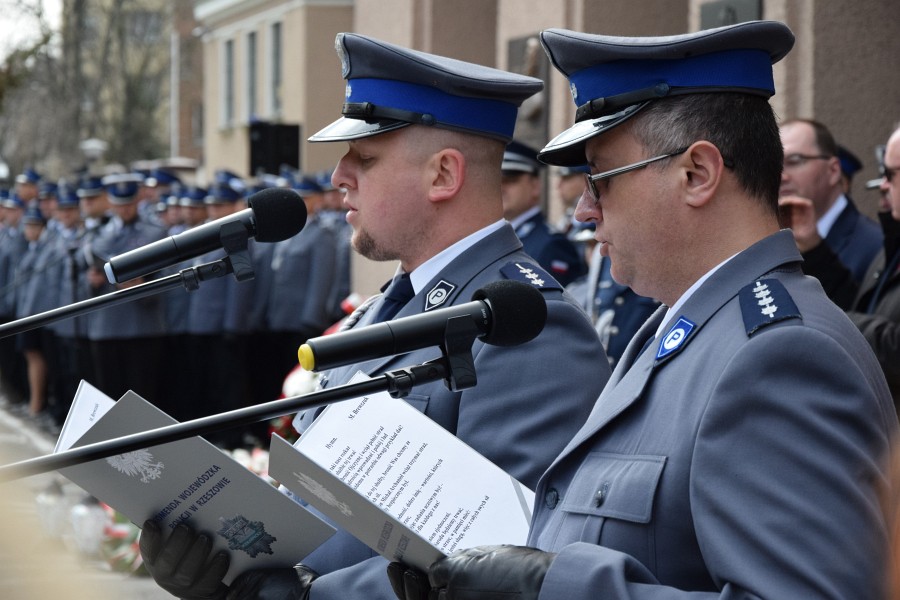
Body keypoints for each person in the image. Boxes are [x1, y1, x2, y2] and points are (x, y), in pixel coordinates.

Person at [386, 21, 899, 600]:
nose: (583, 212)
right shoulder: (681, 327)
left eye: (600, 181)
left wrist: (549, 588)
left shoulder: (780, 355)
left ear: (696, 174)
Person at [139, 31, 609, 600]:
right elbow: (319, 500)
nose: (339, 176)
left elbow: (495, 559)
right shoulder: (381, 310)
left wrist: (306, 595)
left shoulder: (526, 325)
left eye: (365, 157)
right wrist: (225, 556)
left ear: (443, 176)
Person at [786, 123, 900, 407]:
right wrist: (813, 248)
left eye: (891, 174)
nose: (883, 185)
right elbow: (861, 304)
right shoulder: (892, 245)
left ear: (834, 170)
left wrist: (814, 315)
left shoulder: (872, 240)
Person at [778, 118, 882, 284]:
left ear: (833, 170)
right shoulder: (772, 240)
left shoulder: (876, 247)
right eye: (775, 164)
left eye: (795, 161)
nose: (782, 176)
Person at [501, 140, 586, 286]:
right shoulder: (503, 238)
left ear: (535, 186)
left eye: (509, 180)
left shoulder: (551, 244)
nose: (500, 188)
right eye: (496, 181)